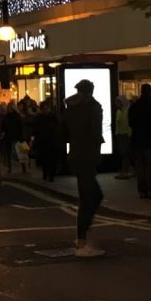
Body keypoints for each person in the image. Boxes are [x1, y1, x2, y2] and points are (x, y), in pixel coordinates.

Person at [63, 79, 104, 257]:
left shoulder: (70, 108)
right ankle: (81, 242)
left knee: (90, 196)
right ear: (91, 91)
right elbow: (96, 132)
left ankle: (82, 236)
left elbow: (63, 131)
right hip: (88, 156)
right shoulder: (93, 107)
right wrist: (97, 142)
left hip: (76, 156)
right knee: (89, 199)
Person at [128, 83, 151, 198]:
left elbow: (131, 123)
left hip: (137, 140)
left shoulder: (135, 106)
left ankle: (142, 191)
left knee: (140, 168)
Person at [31, 100, 61, 182]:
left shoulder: (53, 117)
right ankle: (45, 173)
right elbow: (35, 129)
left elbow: (58, 128)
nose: (45, 110)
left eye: (46, 108)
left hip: (52, 142)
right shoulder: (39, 118)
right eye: (43, 108)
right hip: (42, 142)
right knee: (44, 159)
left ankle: (51, 175)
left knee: (51, 160)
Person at [113, 95, 133, 179]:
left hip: (127, 134)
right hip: (120, 134)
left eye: (118, 102)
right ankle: (126, 170)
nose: (116, 104)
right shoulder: (119, 111)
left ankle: (126, 171)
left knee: (126, 153)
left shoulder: (128, 109)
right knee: (124, 154)